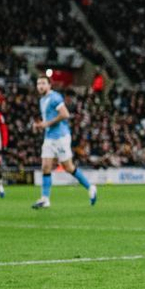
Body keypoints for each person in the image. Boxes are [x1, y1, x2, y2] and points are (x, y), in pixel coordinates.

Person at [31, 76, 97, 209]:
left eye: (43, 83)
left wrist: (47, 124)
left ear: (49, 85)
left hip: (60, 137)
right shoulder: (42, 100)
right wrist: (39, 125)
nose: (40, 86)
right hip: (49, 137)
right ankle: (45, 199)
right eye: (38, 84)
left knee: (68, 167)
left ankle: (90, 187)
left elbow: (65, 114)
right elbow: (48, 119)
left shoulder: (55, 97)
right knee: (45, 166)